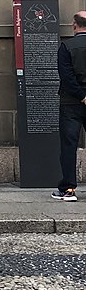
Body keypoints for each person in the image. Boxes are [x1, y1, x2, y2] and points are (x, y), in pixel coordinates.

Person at [53, 10, 86, 202]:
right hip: (76, 100)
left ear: (74, 25)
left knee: (68, 146)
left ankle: (69, 189)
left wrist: (82, 96)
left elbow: (66, 76)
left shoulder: (67, 46)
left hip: (71, 103)